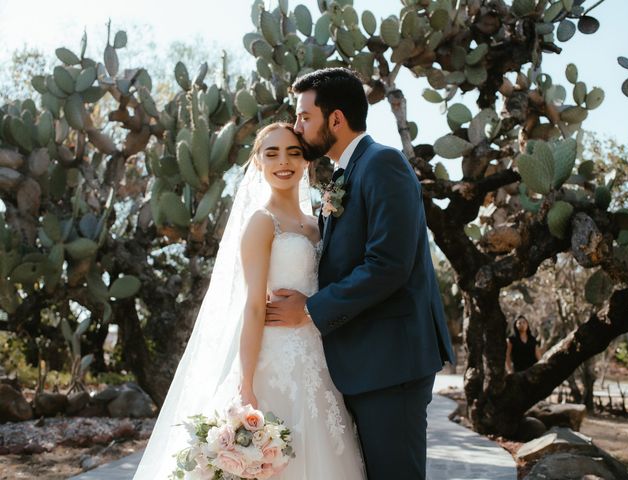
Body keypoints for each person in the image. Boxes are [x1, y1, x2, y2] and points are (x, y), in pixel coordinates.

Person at [133, 122, 365, 479]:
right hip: (275, 360)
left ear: (306, 162)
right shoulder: (262, 222)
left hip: (320, 358)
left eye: (293, 152)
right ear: (258, 163)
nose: (283, 161)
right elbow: (254, 306)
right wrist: (246, 385)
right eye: (271, 153)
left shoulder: (319, 224)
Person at [265, 68, 455, 480]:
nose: (297, 128)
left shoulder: (383, 163)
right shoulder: (344, 174)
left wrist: (311, 310)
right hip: (364, 364)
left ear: (335, 119)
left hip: (392, 366)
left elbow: (388, 264)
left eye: (304, 117)